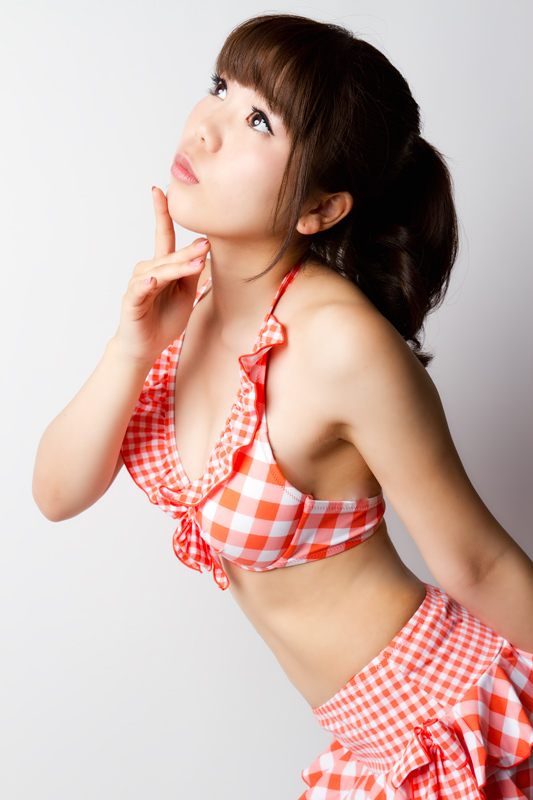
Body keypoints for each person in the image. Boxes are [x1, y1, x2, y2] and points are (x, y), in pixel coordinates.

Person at [33, 13, 533, 799]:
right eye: (220, 87)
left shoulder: (339, 343)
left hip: (441, 715)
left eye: (258, 120)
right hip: (362, 741)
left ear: (320, 210)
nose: (205, 127)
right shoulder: (182, 297)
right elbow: (56, 494)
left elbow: (477, 562)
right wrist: (132, 346)